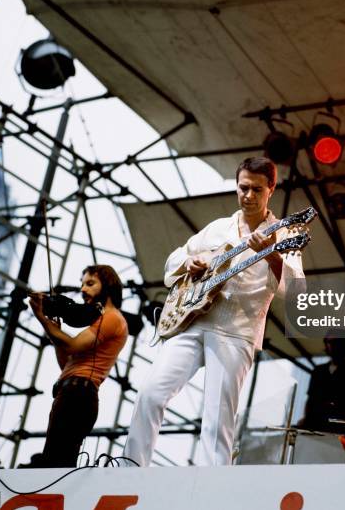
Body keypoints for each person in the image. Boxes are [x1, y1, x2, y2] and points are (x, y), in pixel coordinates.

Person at [123, 156, 305, 466]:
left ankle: (212, 485)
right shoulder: (218, 228)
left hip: (237, 329)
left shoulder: (284, 234)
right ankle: (130, 469)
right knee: (151, 393)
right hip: (194, 319)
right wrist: (188, 264)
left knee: (218, 416)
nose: (248, 196)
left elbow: (297, 290)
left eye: (256, 190)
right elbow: (172, 262)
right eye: (243, 188)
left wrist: (272, 256)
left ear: (271, 190)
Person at [29, 265, 128, 467]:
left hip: (77, 394)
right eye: (82, 284)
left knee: (54, 463)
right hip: (72, 392)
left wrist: (41, 318)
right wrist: (54, 333)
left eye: (90, 283)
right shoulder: (101, 319)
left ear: (108, 285)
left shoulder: (111, 317)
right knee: (57, 460)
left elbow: (73, 344)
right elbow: (67, 365)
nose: (83, 289)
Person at [299, 328, 345, 431]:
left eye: (334, 342)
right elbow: (311, 400)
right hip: (314, 426)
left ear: (344, 344)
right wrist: (306, 419)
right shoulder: (318, 371)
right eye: (327, 341)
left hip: (339, 429)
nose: (330, 345)